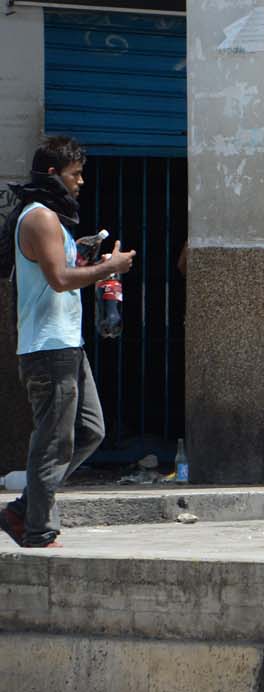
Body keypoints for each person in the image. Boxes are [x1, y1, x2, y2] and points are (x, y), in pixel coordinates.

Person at [0, 136, 136, 548]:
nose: (80, 183)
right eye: (75, 175)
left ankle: (25, 507)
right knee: (54, 440)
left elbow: (60, 271)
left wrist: (90, 260)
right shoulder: (40, 217)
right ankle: (38, 529)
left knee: (90, 430)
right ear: (53, 174)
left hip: (66, 343)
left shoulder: (53, 220)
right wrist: (109, 267)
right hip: (47, 348)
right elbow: (59, 280)